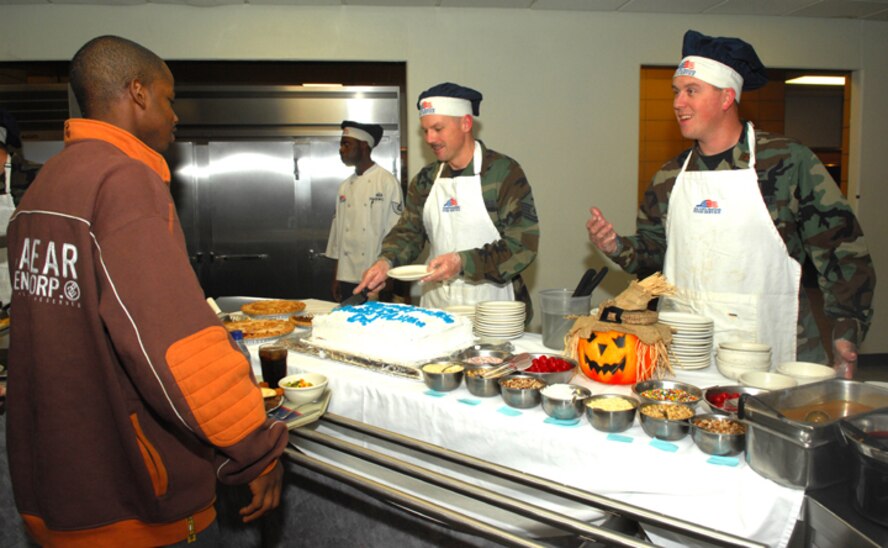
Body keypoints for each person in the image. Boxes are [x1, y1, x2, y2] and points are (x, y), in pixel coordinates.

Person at [5, 35, 287, 546]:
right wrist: (256, 449)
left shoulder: (43, 188)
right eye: (168, 98)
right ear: (137, 92)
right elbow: (178, 350)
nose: (175, 116)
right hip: (136, 501)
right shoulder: (123, 182)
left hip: (62, 491)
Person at [586, 30, 875, 379]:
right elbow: (655, 257)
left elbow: (841, 251)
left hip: (767, 347)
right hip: (683, 346)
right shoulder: (669, 176)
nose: (678, 102)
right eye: (677, 91)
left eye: (692, 91)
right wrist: (616, 246)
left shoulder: (786, 162)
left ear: (726, 97)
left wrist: (847, 330)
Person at [355, 82, 540, 320]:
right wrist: (386, 261)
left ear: (466, 123)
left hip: (492, 308)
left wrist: (462, 262)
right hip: (438, 306)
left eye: (438, 128)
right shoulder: (426, 179)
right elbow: (409, 232)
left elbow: (522, 245)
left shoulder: (502, 173)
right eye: (425, 130)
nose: (430, 138)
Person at [326, 120, 403, 302]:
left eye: (346, 144)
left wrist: (390, 276)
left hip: (376, 277)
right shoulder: (344, 187)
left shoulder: (386, 182)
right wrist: (336, 277)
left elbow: (396, 233)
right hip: (346, 276)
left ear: (364, 145)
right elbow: (338, 237)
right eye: (341, 145)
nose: (341, 150)